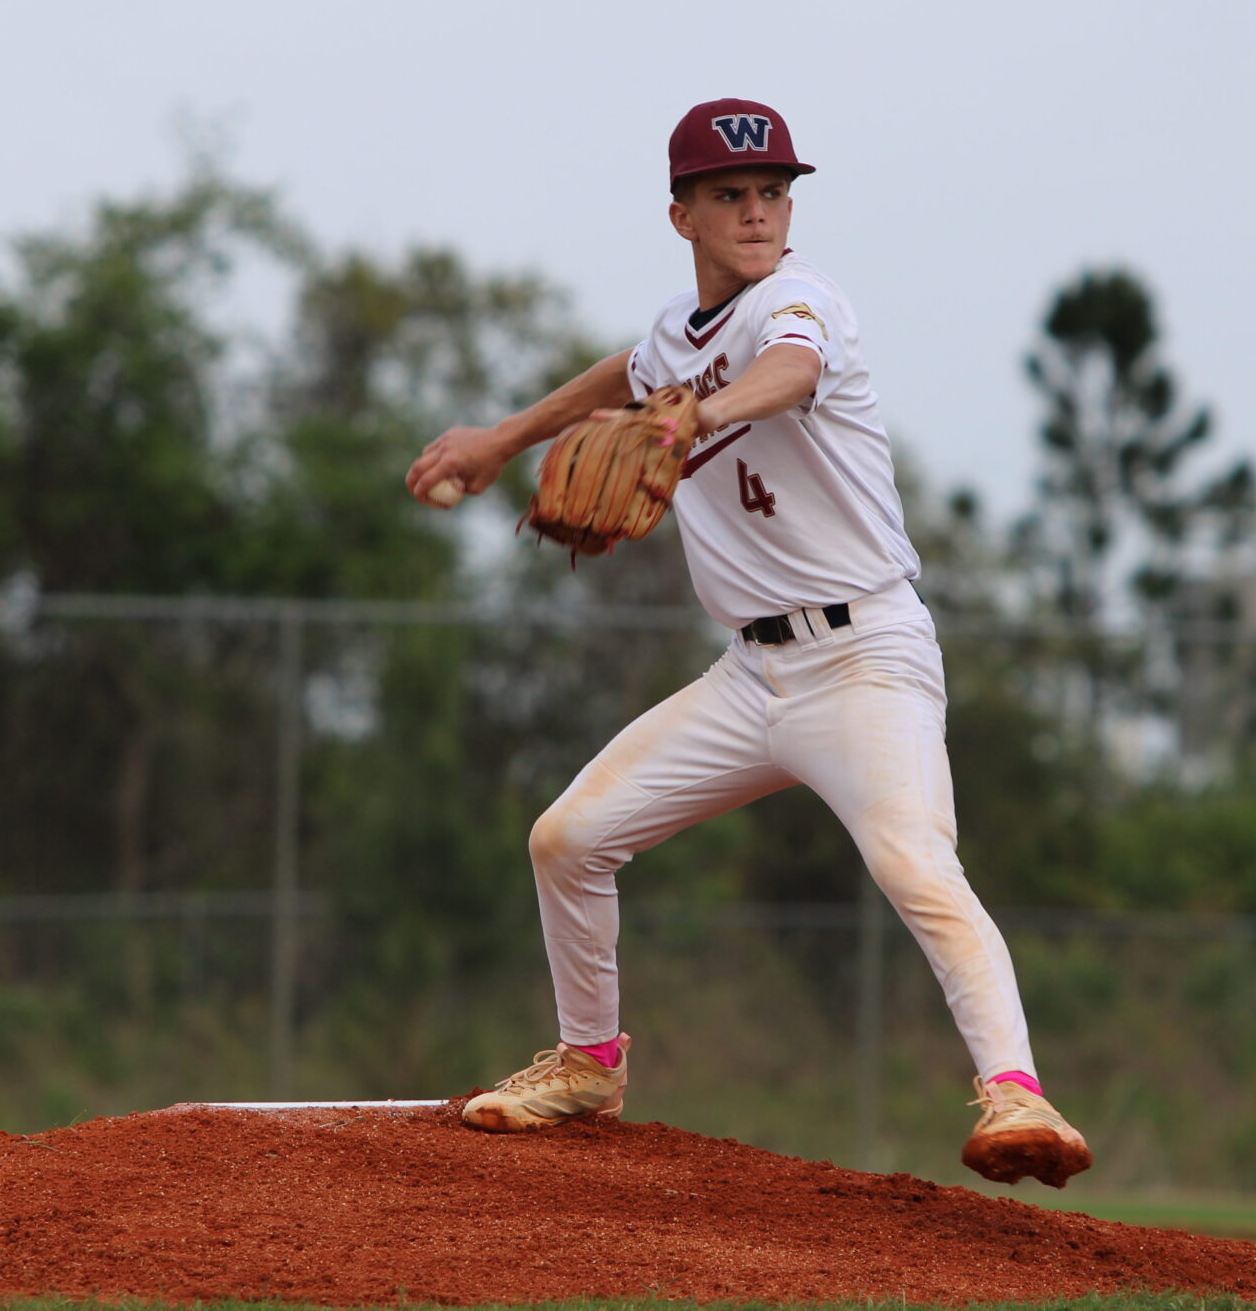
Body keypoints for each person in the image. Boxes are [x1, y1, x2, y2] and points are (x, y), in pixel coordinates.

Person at [404, 99, 1090, 1187]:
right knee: (565, 840)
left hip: (864, 658)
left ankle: (1017, 1098)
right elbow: (625, 369)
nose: (758, 212)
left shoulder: (801, 302)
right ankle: (589, 1063)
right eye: (729, 196)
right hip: (749, 674)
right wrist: (500, 439)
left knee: (912, 859)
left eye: (773, 191)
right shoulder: (676, 336)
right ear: (679, 214)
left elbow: (790, 374)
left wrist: (696, 419)